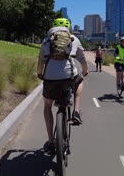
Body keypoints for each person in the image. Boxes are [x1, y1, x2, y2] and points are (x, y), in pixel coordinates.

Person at [37, 18, 88, 155]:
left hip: (50, 78)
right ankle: (76, 111)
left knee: (47, 106)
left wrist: (39, 73)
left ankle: (50, 141)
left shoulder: (46, 40)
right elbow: (82, 58)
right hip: (68, 76)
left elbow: (41, 60)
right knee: (79, 81)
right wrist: (85, 69)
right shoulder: (73, 39)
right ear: (68, 28)